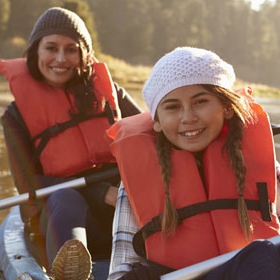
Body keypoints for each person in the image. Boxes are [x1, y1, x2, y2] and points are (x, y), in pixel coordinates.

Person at [107, 47, 280, 280]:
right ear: (156, 122)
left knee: (261, 254)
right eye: (172, 107)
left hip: (253, 270)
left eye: (201, 102)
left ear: (227, 107)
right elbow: (119, 274)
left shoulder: (265, 165)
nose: (188, 117)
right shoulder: (134, 181)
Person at [0, 7, 142, 280]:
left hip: (121, 214)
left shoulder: (113, 95)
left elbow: (154, 141)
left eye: (71, 49)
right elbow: (28, 183)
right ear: (35, 52)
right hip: (63, 220)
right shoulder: (15, 116)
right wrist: (101, 192)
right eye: (51, 48)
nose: (61, 59)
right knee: (66, 197)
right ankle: (74, 275)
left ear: (84, 55)